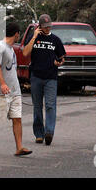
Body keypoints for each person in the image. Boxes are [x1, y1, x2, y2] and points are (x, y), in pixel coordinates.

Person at [0, 22, 33, 156]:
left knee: (17, 118)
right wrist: (3, 84)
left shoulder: (10, 48)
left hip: (14, 91)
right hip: (0, 91)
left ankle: (19, 147)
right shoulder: (0, 46)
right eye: (19, 34)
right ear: (16, 34)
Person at [22, 14, 65, 146]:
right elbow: (25, 53)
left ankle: (49, 132)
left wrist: (59, 62)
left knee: (50, 105)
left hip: (51, 77)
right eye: (45, 27)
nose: (47, 29)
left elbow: (62, 57)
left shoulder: (55, 40)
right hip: (36, 76)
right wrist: (34, 36)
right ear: (39, 27)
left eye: (49, 26)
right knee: (37, 106)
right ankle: (39, 134)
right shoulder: (34, 38)